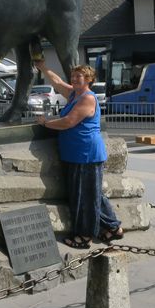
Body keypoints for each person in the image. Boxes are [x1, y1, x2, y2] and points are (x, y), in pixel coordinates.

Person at [33, 60, 123, 249]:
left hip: (85, 154)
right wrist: (43, 67)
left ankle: (84, 236)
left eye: (78, 76)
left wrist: (45, 122)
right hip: (77, 153)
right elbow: (57, 82)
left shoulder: (87, 98)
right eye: (73, 76)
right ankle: (113, 228)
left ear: (88, 79)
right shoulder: (75, 94)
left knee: (84, 198)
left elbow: (68, 122)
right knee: (95, 195)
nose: (74, 79)